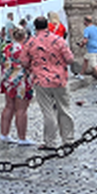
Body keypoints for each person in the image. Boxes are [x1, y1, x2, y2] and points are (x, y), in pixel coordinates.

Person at [19, 16, 75, 150]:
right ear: (47, 26)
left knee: (48, 111)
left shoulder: (30, 43)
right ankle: (68, 139)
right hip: (60, 80)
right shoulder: (58, 40)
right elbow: (70, 59)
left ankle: (50, 142)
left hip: (41, 81)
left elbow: (24, 62)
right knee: (64, 110)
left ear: (35, 27)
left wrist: (33, 65)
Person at [0, 27, 34, 145]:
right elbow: (28, 64)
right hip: (21, 80)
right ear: (25, 37)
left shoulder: (7, 48)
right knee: (21, 110)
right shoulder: (25, 50)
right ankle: (22, 137)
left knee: (8, 106)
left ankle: (4, 134)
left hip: (8, 80)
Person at [78, 15, 97, 88]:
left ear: (85, 21)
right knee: (86, 59)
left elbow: (85, 40)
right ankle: (80, 74)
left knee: (94, 66)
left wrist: (81, 45)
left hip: (92, 50)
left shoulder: (87, 30)